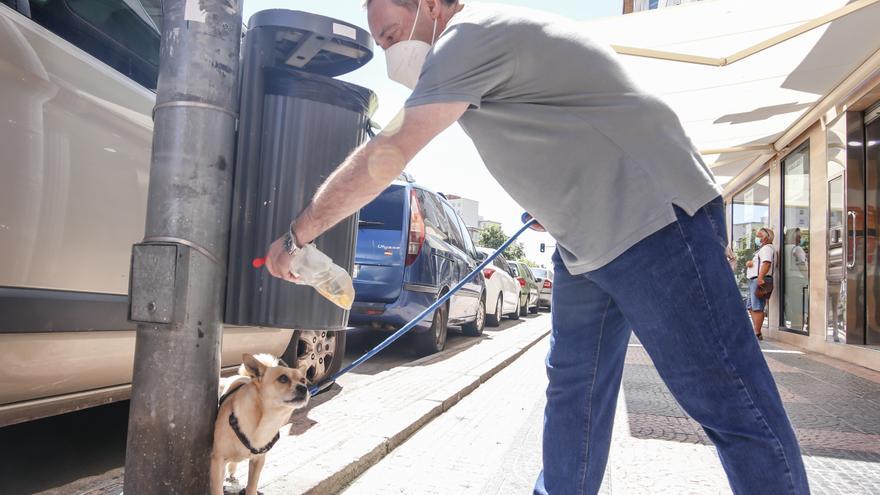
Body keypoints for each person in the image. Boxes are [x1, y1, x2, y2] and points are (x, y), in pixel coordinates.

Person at [263, 1, 809, 493]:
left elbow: (390, 151)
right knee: (575, 393)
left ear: (430, 5)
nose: (387, 54)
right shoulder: (478, 51)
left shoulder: (467, 38)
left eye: (387, 35)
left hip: (654, 224)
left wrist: (299, 235)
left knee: (731, 403)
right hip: (587, 245)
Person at [746, 228, 776, 341]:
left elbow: (767, 263)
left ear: (766, 237)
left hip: (759, 280)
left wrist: (760, 277)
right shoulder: (764, 249)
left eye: (759, 236)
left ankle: (757, 333)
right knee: (751, 307)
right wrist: (751, 264)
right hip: (755, 279)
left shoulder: (767, 249)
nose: (758, 239)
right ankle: (756, 330)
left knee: (757, 307)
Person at [783, 227, 809, 330]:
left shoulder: (784, 248)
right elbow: (802, 265)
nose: (800, 239)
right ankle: (797, 328)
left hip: (786, 280)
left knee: (791, 307)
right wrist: (808, 278)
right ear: (794, 237)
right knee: (799, 307)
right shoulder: (797, 249)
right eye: (799, 236)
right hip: (798, 280)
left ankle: (794, 328)